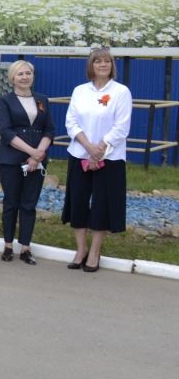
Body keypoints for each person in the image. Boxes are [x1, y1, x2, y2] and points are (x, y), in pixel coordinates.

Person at [63, 47, 131, 272]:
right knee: (78, 203)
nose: (103, 65)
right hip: (79, 154)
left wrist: (99, 150)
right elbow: (71, 122)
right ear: (90, 66)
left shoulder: (121, 92)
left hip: (109, 158)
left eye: (107, 61)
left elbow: (121, 127)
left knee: (102, 204)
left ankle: (94, 252)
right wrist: (88, 147)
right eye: (98, 61)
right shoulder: (80, 91)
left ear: (112, 66)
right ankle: (81, 249)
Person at [0, 61, 54, 265]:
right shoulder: (5, 101)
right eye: (20, 74)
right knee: (11, 202)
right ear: (12, 78)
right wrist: (32, 152)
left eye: (28, 73)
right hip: (11, 160)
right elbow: (5, 132)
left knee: (29, 204)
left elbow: (49, 130)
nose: (24, 77)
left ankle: (26, 247)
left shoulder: (42, 100)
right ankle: (8, 246)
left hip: (37, 162)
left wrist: (39, 154)